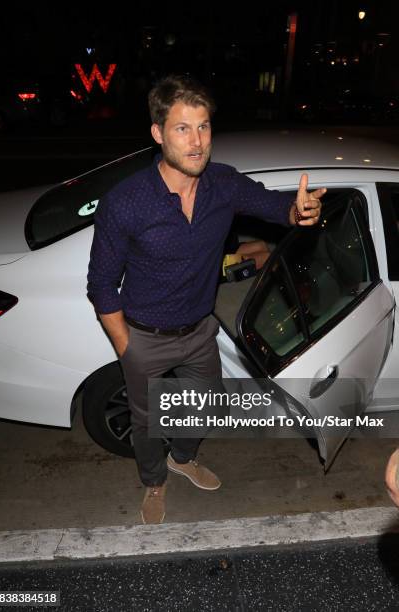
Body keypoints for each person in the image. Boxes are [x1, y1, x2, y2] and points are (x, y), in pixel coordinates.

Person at [87, 74, 326, 524]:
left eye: (204, 127)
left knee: (207, 407)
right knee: (146, 422)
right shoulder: (127, 203)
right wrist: (127, 347)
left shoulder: (223, 184)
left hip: (199, 330)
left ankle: (182, 456)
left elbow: (277, 209)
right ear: (158, 134)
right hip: (145, 335)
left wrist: (300, 211)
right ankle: (154, 481)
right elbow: (101, 284)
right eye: (183, 128)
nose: (196, 142)